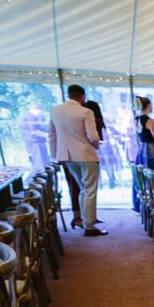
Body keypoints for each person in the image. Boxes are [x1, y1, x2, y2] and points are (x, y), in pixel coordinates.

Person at [49, 84, 106, 236]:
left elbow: (52, 135)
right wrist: (96, 146)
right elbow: (93, 137)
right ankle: (90, 226)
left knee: (82, 189)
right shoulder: (85, 111)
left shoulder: (56, 110)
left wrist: (56, 154)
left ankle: (85, 220)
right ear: (82, 97)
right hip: (86, 154)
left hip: (66, 156)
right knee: (90, 191)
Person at [134, 97, 154, 171]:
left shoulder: (136, 119)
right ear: (149, 106)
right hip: (152, 149)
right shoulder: (150, 121)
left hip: (142, 149)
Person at [19, 103, 49, 173]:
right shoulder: (31, 117)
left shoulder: (35, 117)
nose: (42, 114)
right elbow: (34, 131)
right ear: (35, 110)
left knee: (41, 163)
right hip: (35, 143)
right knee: (39, 164)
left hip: (37, 143)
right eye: (40, 112)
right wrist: (47, 135)